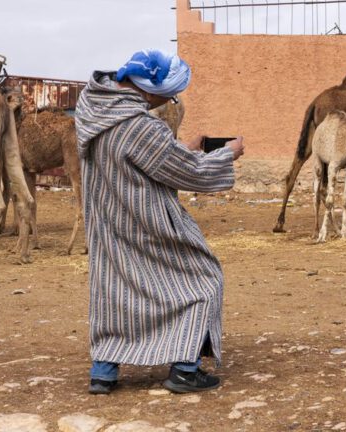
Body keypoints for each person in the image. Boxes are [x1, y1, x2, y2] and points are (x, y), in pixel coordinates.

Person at [74, 49, 244, 394]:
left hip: (108, 221)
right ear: (149, 89)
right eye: (170, 93)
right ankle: (185, 369)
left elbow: (147, 159)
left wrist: (181, 147)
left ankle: (103, 370)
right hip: (144, 221)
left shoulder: (92, 108)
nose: (170, 100)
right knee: (202, 278)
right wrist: (227, 154)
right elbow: (189, 172)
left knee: (114, 290)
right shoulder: (139, 126)